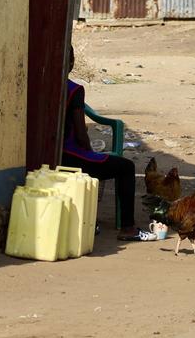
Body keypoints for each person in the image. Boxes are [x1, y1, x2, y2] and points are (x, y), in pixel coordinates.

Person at [62, 52, 154, 242]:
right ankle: (128, 228)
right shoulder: (73, 90)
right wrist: (89, 153)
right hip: (69, 155)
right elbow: (81, 133)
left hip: (46, 158)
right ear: (71, 62)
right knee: (126, 167)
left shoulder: (39, 85)